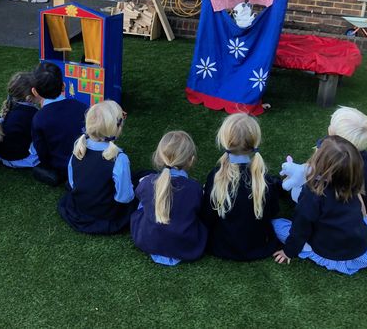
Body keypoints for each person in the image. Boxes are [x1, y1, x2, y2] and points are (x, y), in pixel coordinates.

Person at [273, 136, 367, 275]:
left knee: (277, 225)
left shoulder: (312, 194)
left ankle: (308, 251)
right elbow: (361, 210)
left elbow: (300, 229)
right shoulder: (352, 183)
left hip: (335, 256)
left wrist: (288, 252)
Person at [201, 113, 280, 261]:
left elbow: (207, 216)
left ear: (224, 141)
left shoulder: (215, 176)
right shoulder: (264, 179)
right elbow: (273, 211)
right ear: (255, 142)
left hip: (220, 247)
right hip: (259, 246)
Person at [281, 106, 367, 218]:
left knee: (291, 179)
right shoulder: (364, 157)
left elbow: (312, 170)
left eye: (331, 125)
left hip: (347, 211)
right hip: (366, 205)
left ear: (335, 140)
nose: (329, 126)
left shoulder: (328, 155)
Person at [130, 131, 207, 266]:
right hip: (184, 246)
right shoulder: (195, 189)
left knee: (142, 205)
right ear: (191, 160)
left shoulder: (147, 182)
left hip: (148, 240)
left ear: (159, 157)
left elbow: (140, 196)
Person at [58, 100, 134, 234]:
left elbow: (72, 183)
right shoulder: (119, 159)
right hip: (106, 215)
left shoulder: (78, 149)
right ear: (117, 127)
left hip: (80, 209)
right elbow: (124, 197)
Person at [31, 62, 87, 186]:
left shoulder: (39, 118)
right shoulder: (81, 106)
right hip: (85, 160)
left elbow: (42, 152)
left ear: (34, 92)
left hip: (60, 167)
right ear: (63, 86)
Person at [0, 72, 39, 168]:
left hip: (0, 154)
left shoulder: (10, 104)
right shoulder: (30, 113)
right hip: (20, 158)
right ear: (29, 98)